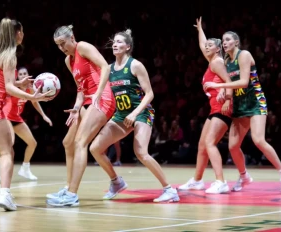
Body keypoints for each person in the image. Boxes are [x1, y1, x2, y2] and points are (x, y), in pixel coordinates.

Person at [0, 18, 52, 211]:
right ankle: (5, 194)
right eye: (22, 31)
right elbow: (7, 87)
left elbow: (1, 84)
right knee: (7, 152)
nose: (23, 35)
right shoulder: (10, 54)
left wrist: (19, 85)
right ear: (18, 33)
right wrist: (33, 97)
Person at [89, 29, 179, 202]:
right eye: (114, 41)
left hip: (141, 112)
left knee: (141, 153)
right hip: (121, 115)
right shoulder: (108, 69)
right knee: (95, 149)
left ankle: (169, 190)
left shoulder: (135, 65)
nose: (115, 44)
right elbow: (101, 93)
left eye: (120, 42)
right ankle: (116, 182)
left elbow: (150, 94)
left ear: (128, 47)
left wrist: (134, 113)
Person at [203, 31, 281, 192]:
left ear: (236, 42)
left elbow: (244, 82)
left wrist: (218, 87)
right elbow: (229, 80)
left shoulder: (244, 55)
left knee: (258, 139)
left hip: (255, 102)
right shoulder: (226, 60)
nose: (224, 43)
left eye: (228, 40)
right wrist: (224, 92)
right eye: (223, 40)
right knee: (233, 146)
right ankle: (244, 176)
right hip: (240, 105)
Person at [46, 25, 116, 207]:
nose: (62, 48)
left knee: (80, 142)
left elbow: (105, 68)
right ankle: (68, 186)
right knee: (68, 143)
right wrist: (77, 107)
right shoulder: (68, 61)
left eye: (63, 43)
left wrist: (99, 94)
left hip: (103, 98)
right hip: (88, 101)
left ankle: (72, 195)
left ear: (72, 38)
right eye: (58, 46)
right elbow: (80, 89)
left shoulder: (83, 47)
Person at [178, 17, 233, 194]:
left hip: (223, 108)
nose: (207, 47)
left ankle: (221, 182)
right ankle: (197, 180)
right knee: (202, 145)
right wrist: (200, 29)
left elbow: (230, 81)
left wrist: (227, 99)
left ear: (218, 49)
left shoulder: (217, 62)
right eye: (207, 45)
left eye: (211, 45)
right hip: (214, 109)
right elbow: (203, 45)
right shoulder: (212, 61)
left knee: (210, 143)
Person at [0, 67, 53, 181]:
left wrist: (44, 115)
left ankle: (25, 169)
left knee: (32, 143)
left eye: (25, 73)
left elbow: (34, 101)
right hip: (6, 116)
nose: (23, 75)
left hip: (16, 118)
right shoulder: (13, 87)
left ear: (28, 75)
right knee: (9, 143)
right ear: (17, 77)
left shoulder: (30, 89)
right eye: (21, 74)